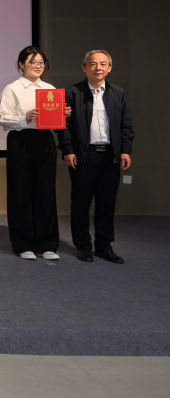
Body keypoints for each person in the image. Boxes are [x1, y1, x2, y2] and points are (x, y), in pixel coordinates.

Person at [57, 50, 134, 264]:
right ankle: (83, 245)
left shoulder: (118, 93)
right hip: (84, 156)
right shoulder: (72, 92)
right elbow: (63, 125)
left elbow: (126, 125)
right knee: (80, 203)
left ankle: (104, 246)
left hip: (110, 156)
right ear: (84, 67)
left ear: (109, 68)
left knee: (106, 204)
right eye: (92, 64)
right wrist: (68, 149)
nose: (98, 68)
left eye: (103, 64)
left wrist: (125, 150)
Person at [0, 46, 70, 261]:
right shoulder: (12, 88)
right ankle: (23, 244)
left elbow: (54, 121)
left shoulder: (49, 88)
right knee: (21, 193)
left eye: (41, 63)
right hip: (21, 141)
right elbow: (3, 119)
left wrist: (62, 114)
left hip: (44, 141)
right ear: (22, 64)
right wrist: (25, 117)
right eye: (33, 62)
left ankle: (47, 244)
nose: (38, 66)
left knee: (45, 192)